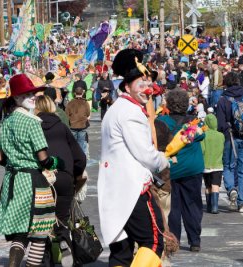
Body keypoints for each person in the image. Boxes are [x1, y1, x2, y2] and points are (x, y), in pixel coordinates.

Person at [98, 49, 170, 266]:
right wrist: (164, 160)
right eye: (141, 83)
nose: (147, 89)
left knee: (122, 250)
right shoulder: (131, 112)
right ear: (127, 86)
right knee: (154, 242)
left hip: (114, 190)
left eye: (148, 83)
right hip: (132, 191)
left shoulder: (116, 109)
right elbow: (146, 155)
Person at [0, 74, 63, 267]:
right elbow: (44, 160)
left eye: (33, 93)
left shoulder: (6, 122)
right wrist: (58, 163)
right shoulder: (32, 123)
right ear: (16, 97)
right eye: (27, 94)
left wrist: (16, 163)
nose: (33, 97)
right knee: (39, 232)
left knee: (20, 232)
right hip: (34, 182)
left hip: (12, 181)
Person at [35, 95, 86, 267]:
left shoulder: (32, 127)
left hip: (42, 178)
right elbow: (79, 157)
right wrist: (75, 175)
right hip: (64, 177)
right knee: (62, 218)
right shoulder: (62, 127)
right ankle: (64, 241)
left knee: (42, 221)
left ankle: (46, 257)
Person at [157, 89, 205, 252]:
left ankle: (173, 240)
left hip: (171, 169)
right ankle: (195, 240)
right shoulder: (194, 122)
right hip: (193, 168)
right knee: (192, 204)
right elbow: (201, 135)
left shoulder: (161, 121)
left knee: (173, 207)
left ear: (168, 105)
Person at [216, 72, 243, 212]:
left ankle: (231, 189)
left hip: (230, 138)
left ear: (226, 83)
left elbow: (221, 124)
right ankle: (242, 203)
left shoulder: (223, 99)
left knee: (229, 166)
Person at [201, 114, 225, 214]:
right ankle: (215, 207)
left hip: (206, 165)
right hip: (217, 164)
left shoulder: (204, 135)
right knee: (215, 185)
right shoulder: (221, 135)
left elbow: (202, 150)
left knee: (208, 186)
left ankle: (209, 206)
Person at [65, 87, 90, 155]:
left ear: (74, 93)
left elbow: (66, 114)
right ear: (82, 93)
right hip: (82, 125)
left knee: (73, 143)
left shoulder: (70, 103)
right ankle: (81, 157)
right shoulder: (85, 102)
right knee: (81, 142)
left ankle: (74, 156)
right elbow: (88, 114)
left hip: (73, 125)